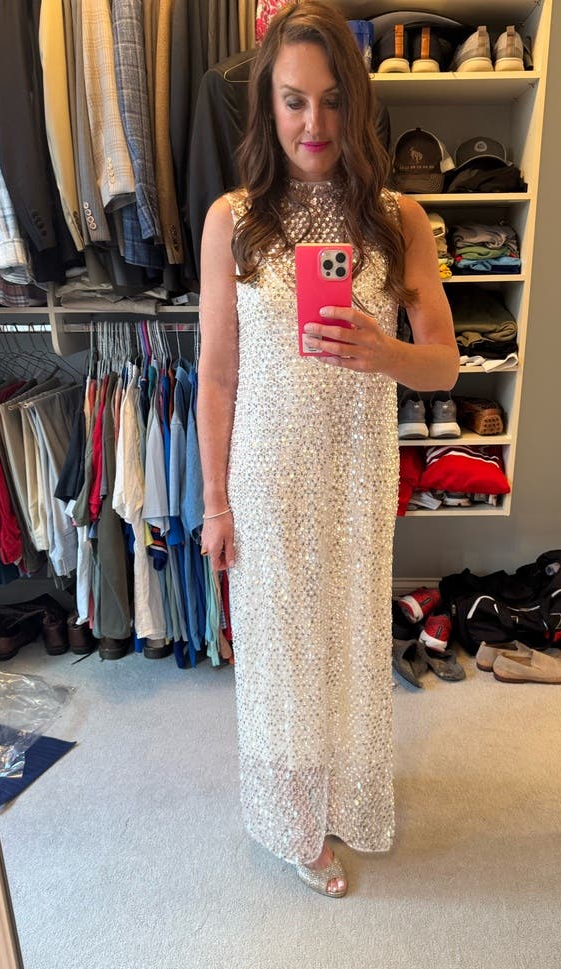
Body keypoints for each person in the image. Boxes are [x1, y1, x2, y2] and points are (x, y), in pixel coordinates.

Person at [196, 0, 458, 898]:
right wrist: (215, 503)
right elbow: (217, 376)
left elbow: (444, 363)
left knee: (347, 639)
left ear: (358, 101)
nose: (315, 123)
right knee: (282, 650)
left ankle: (341, 792)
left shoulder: (398, 218)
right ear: (268, 106)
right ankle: (293, 818)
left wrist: (384, 352)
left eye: (332, 99)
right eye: (294, 100)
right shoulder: (233, 220)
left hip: (354, 470)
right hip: (269, 473)